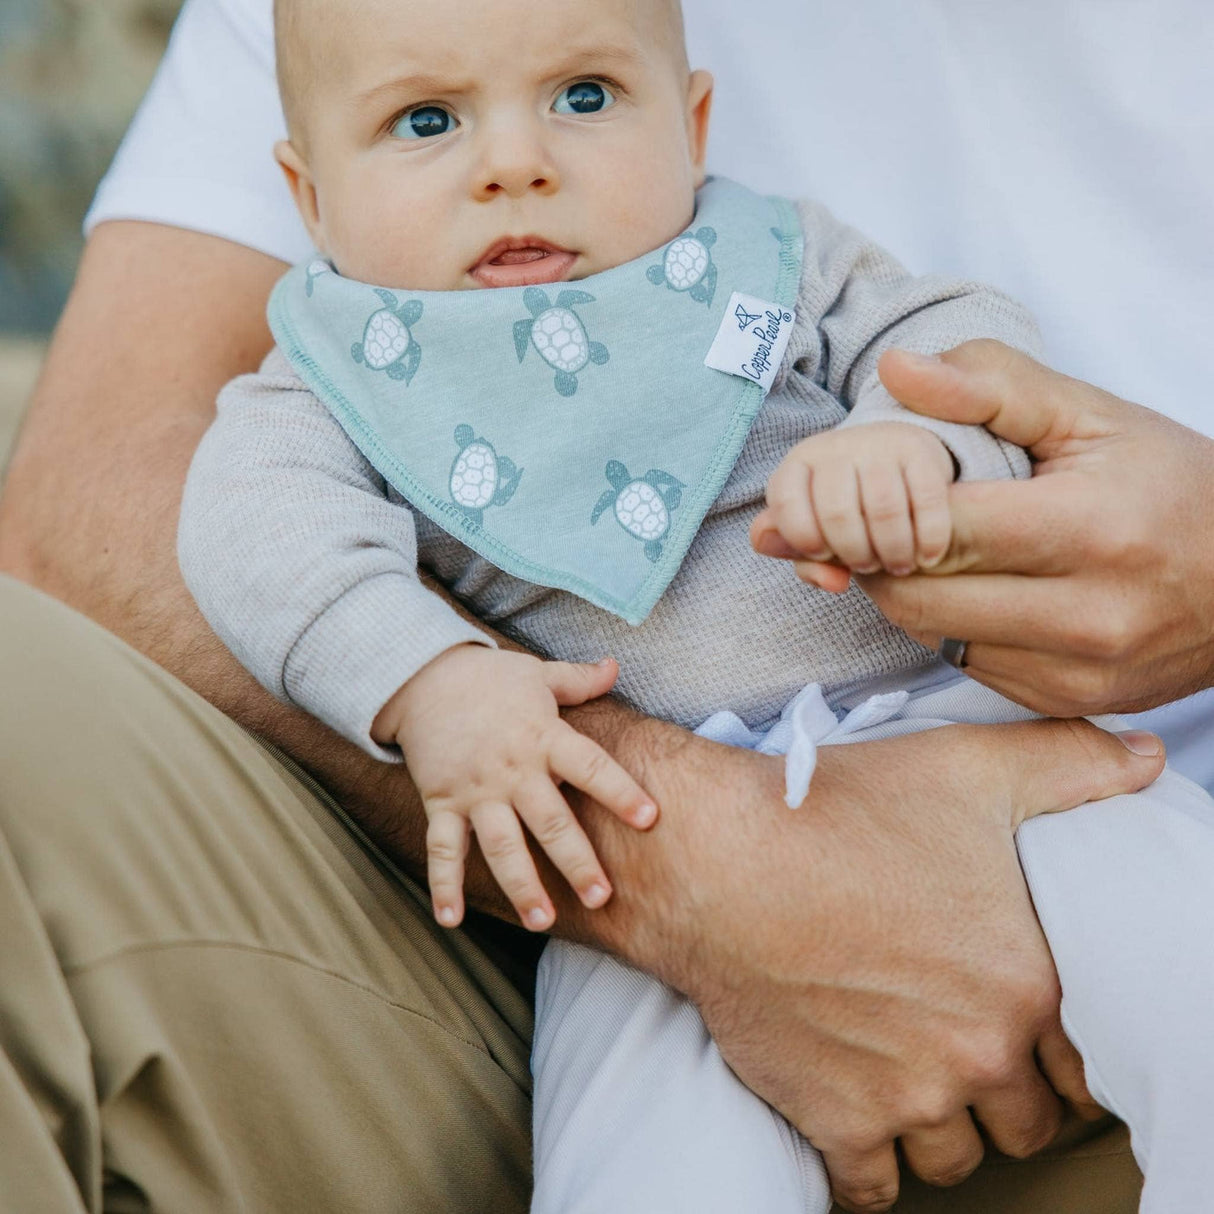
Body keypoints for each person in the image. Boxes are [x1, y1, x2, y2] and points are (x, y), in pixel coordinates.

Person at [0, 0, 1208, 1210]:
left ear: (688, 122)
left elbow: (951, 335)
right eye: (427, 121)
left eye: (583, 98)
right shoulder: (337, 379)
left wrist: (913, 443)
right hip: (654, 916)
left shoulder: (765, 262)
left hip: (1005, 770)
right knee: (646, 1164)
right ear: (307, 196)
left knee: (1184, 961)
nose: (515, 162)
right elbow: (258, 537)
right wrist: (428, 678)